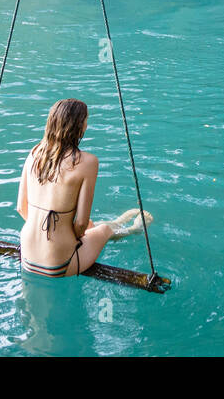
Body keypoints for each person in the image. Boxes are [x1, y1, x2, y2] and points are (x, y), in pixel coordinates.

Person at [16, 98, 150, 279]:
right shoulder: (87, 162)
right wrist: (67, 237)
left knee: (90, 225)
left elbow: (21, 208)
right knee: (102, 230)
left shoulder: (33, 154)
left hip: (27, 256)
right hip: (57, 264)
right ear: (79, 126)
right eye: (86, 120)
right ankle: (132, 229)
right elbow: (80, 224)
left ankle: (116, 222)